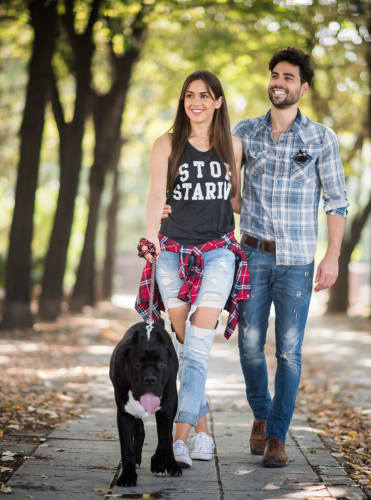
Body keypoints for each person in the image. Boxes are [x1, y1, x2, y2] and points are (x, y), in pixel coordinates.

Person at [233, 47, 348, 467]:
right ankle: (261, 416)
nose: (278, 83)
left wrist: (331, 257)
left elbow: (336, 202)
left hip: (298, 262)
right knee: (248, 346)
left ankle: (277, 436)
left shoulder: (322, 139)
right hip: (252, 255)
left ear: (303, 86)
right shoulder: (243, 132)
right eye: (274, 75)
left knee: (288, 353)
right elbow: (222, 186)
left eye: (288, 77)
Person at [135, 70, 250, 469]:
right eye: (189, 95)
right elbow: (154, 195)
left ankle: (176, 441)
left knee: (198, 347)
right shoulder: (166, 144)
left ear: (218, 101)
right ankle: (203, 433)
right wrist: (151, 234)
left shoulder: (233, 147)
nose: (196, 101)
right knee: (187, 350)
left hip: (219, 251)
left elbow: (236, 200)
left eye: (204, 95)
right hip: (172, 253)